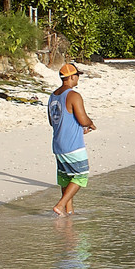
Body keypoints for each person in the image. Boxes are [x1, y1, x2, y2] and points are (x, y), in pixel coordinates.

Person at [48, 61, 95, 216]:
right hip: (73, 145)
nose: (78, 78)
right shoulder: (73, 95)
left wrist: (78, 129)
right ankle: (60, 205)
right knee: (81, 175)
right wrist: (90, 123)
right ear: (72, 77)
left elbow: (53, 121)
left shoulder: (53, 96)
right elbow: (83, 119)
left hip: (58, 144)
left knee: (66, 178)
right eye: (77, 75)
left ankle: (69, 212)